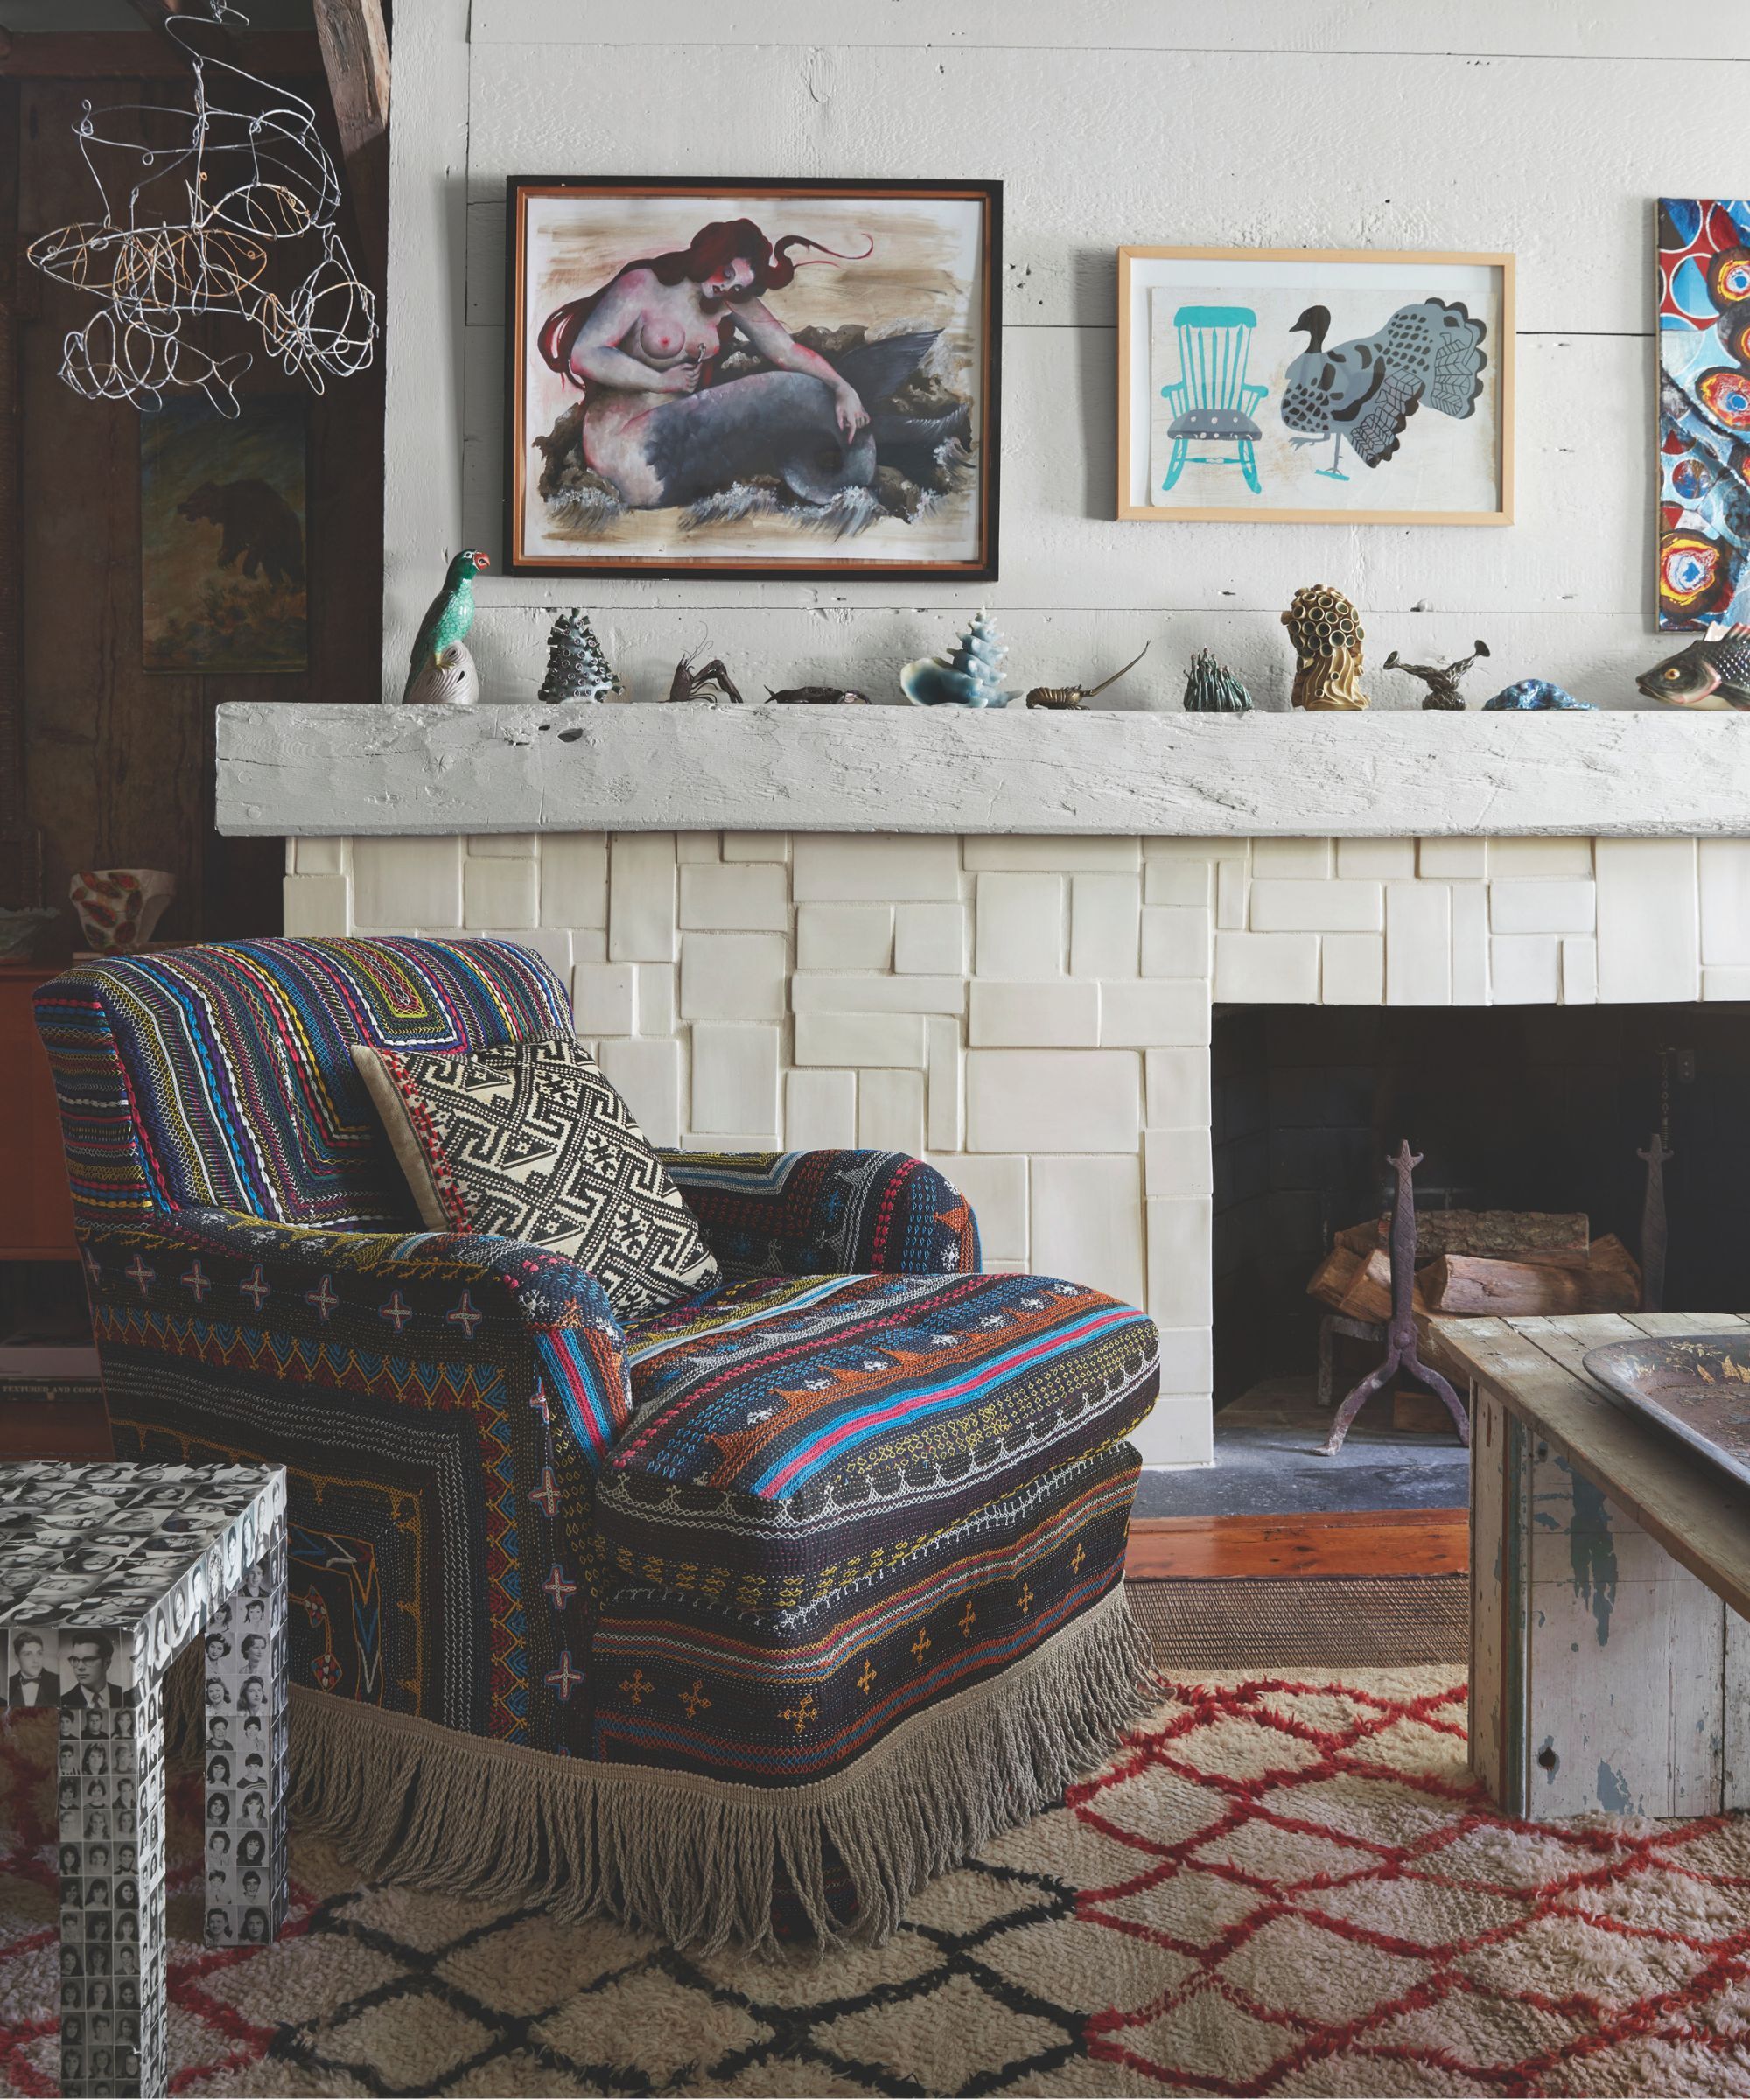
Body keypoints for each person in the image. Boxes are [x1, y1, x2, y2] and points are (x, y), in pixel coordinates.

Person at [535, 218, 951, 514]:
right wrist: (659, 380)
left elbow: (785, 350)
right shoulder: (643, 285)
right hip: (625, 451)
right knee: (782, 392)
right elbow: (583, 354)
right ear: (712, 250)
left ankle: (901, 442)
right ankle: (885, 447)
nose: (726, 286)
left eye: (737, 285)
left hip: (679, 443)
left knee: (803, 389)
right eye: (726, 271)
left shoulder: (730, 300)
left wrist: (843, 387)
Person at [60, 1631, 125, 1712]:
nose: (80, 1667)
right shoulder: (63, 1702)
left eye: (89, 1659)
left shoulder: (124, 1695)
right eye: (75, 1659)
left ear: (106, 1663)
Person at [9, 1629, 59, 1707]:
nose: (36, 1660)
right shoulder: (9, 1684)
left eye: (39, 1653)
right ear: (17, 1658)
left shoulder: (57, 1681)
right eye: (28, 1654)